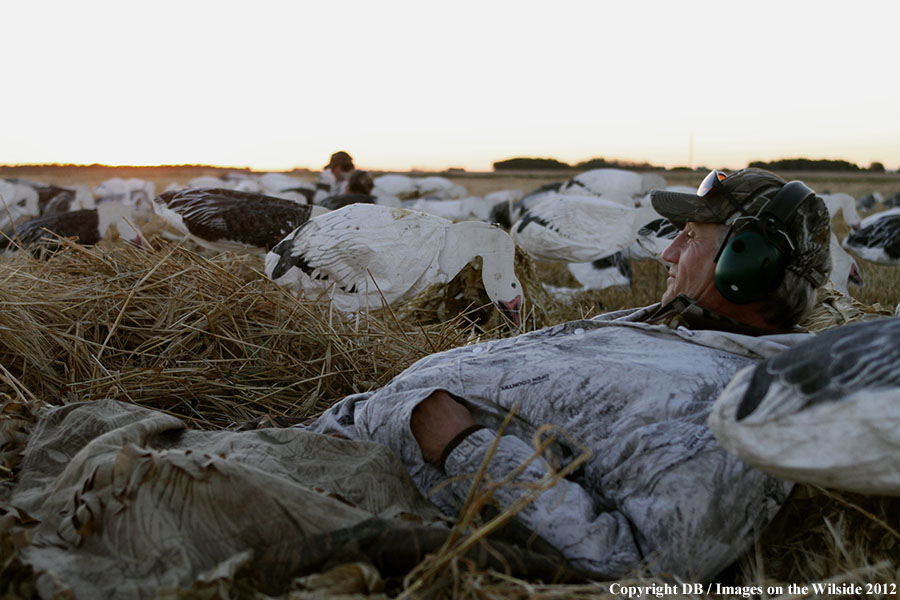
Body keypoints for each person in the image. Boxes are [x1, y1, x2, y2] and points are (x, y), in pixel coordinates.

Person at [307, 167, 833, 582]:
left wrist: (463, 447)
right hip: (336, 441)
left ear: (750, 265)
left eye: (691, 237)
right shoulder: (672, 325)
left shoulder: (737, 409)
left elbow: (641, 571)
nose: (668, 253)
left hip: (370, 497)